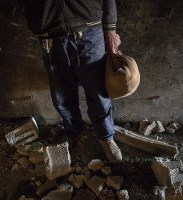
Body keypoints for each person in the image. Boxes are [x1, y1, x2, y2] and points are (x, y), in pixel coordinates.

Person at [27, 0, 122, 163]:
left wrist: (110, 29)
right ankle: (74, 132)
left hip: (89, 30)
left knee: (98, 91)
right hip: (50, 34)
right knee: (61, 95)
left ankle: (106, 137)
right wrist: (34, 16)